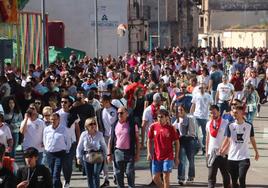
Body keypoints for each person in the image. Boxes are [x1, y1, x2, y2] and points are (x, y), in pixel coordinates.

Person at [220, 105, 259, 188]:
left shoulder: (249, 126)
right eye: (233, 112)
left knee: (241, 178)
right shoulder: (230, 125)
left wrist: (256, 152)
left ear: (242, 113)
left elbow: (252, 139)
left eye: (236, 112)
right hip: (232, 158)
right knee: (234, 182)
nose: (234, 114)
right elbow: (227, 139)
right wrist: (222, 149)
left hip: (244, 157)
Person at [107, 107, 140, 188]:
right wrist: (109, 154)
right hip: (118, 152)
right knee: (118, 174)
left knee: (129, 172)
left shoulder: (132, 124)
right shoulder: (114, 125)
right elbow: (110, 139)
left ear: (127, 114)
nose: (119, 115)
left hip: (129, 152)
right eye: (118, 113)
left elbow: (137, 140)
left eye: (121, 113)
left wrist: (138, 153)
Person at [147, 109, 180, 188]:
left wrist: (176, 157)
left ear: (166, 118)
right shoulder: (153, 126)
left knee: (165, 177)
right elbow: (149, 140)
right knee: (155, 178)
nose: (159, 119)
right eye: (158, 117)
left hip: (168, 156)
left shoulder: (171, 128)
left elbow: (177, 142)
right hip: (156, 156)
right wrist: (149, 152)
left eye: (161, 117)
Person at [76, 117, 107, 188]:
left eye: (94, 123)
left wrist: (106, 156)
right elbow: (79, 147)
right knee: (89, 176)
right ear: (86, 126)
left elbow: (104, 146)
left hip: (98, 156)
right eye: (90, 124)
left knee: (96, 174)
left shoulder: (99, 134)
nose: (93, 125)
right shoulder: (84, 134)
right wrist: (78, 157)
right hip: (87, 157)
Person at [43, 113, 71, 188]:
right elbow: (44, 140)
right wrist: (47, 149)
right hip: (50, 154)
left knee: (56, 174)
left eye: (55, 119)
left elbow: (68, 141)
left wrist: (66, 150)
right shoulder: (46, 129)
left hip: (60, 154)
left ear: (59, 120)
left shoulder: (64, 129)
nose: (53, 121)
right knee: (52, 173)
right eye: (51, 119)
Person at [206, 105, 230, 188]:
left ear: (219, 112)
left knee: (225, 175)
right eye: (211, 113)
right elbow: (207, 138)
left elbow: (229, 139)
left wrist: (224, 149)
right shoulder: (208, 123)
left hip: (223, 154)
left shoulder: (226, 123)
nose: (213, 115)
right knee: (211, 176)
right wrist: (207, 153)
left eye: (214, 112)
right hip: (211, 154)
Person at [173, 105, 196, 185]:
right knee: (181, 160)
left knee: (191, 160)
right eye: (178, 110)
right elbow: (173, 128)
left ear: (185, 111)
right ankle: (181, 178)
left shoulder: (190, 118)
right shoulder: (177, 120)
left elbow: (192, 132)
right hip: (181, 140)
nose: (180, 111)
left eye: (181, 110)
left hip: (189, 140)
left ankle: (191, 176)